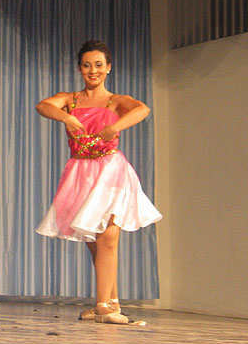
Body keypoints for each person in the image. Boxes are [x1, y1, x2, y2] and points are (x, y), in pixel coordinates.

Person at [35, 40, 162, 325]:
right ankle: (110, 302)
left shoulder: (114, 100)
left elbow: (142, 109)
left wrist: (114, 126)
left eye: (99, 65)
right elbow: (43, 106)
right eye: (87, 65)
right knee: (95, 241)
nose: (93, 70)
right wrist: (66, 118)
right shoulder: (71, 99)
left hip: (111, 169)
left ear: (108, 68)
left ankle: (104, 306)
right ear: (79, 68)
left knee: (108, 236)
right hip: (81, 171)